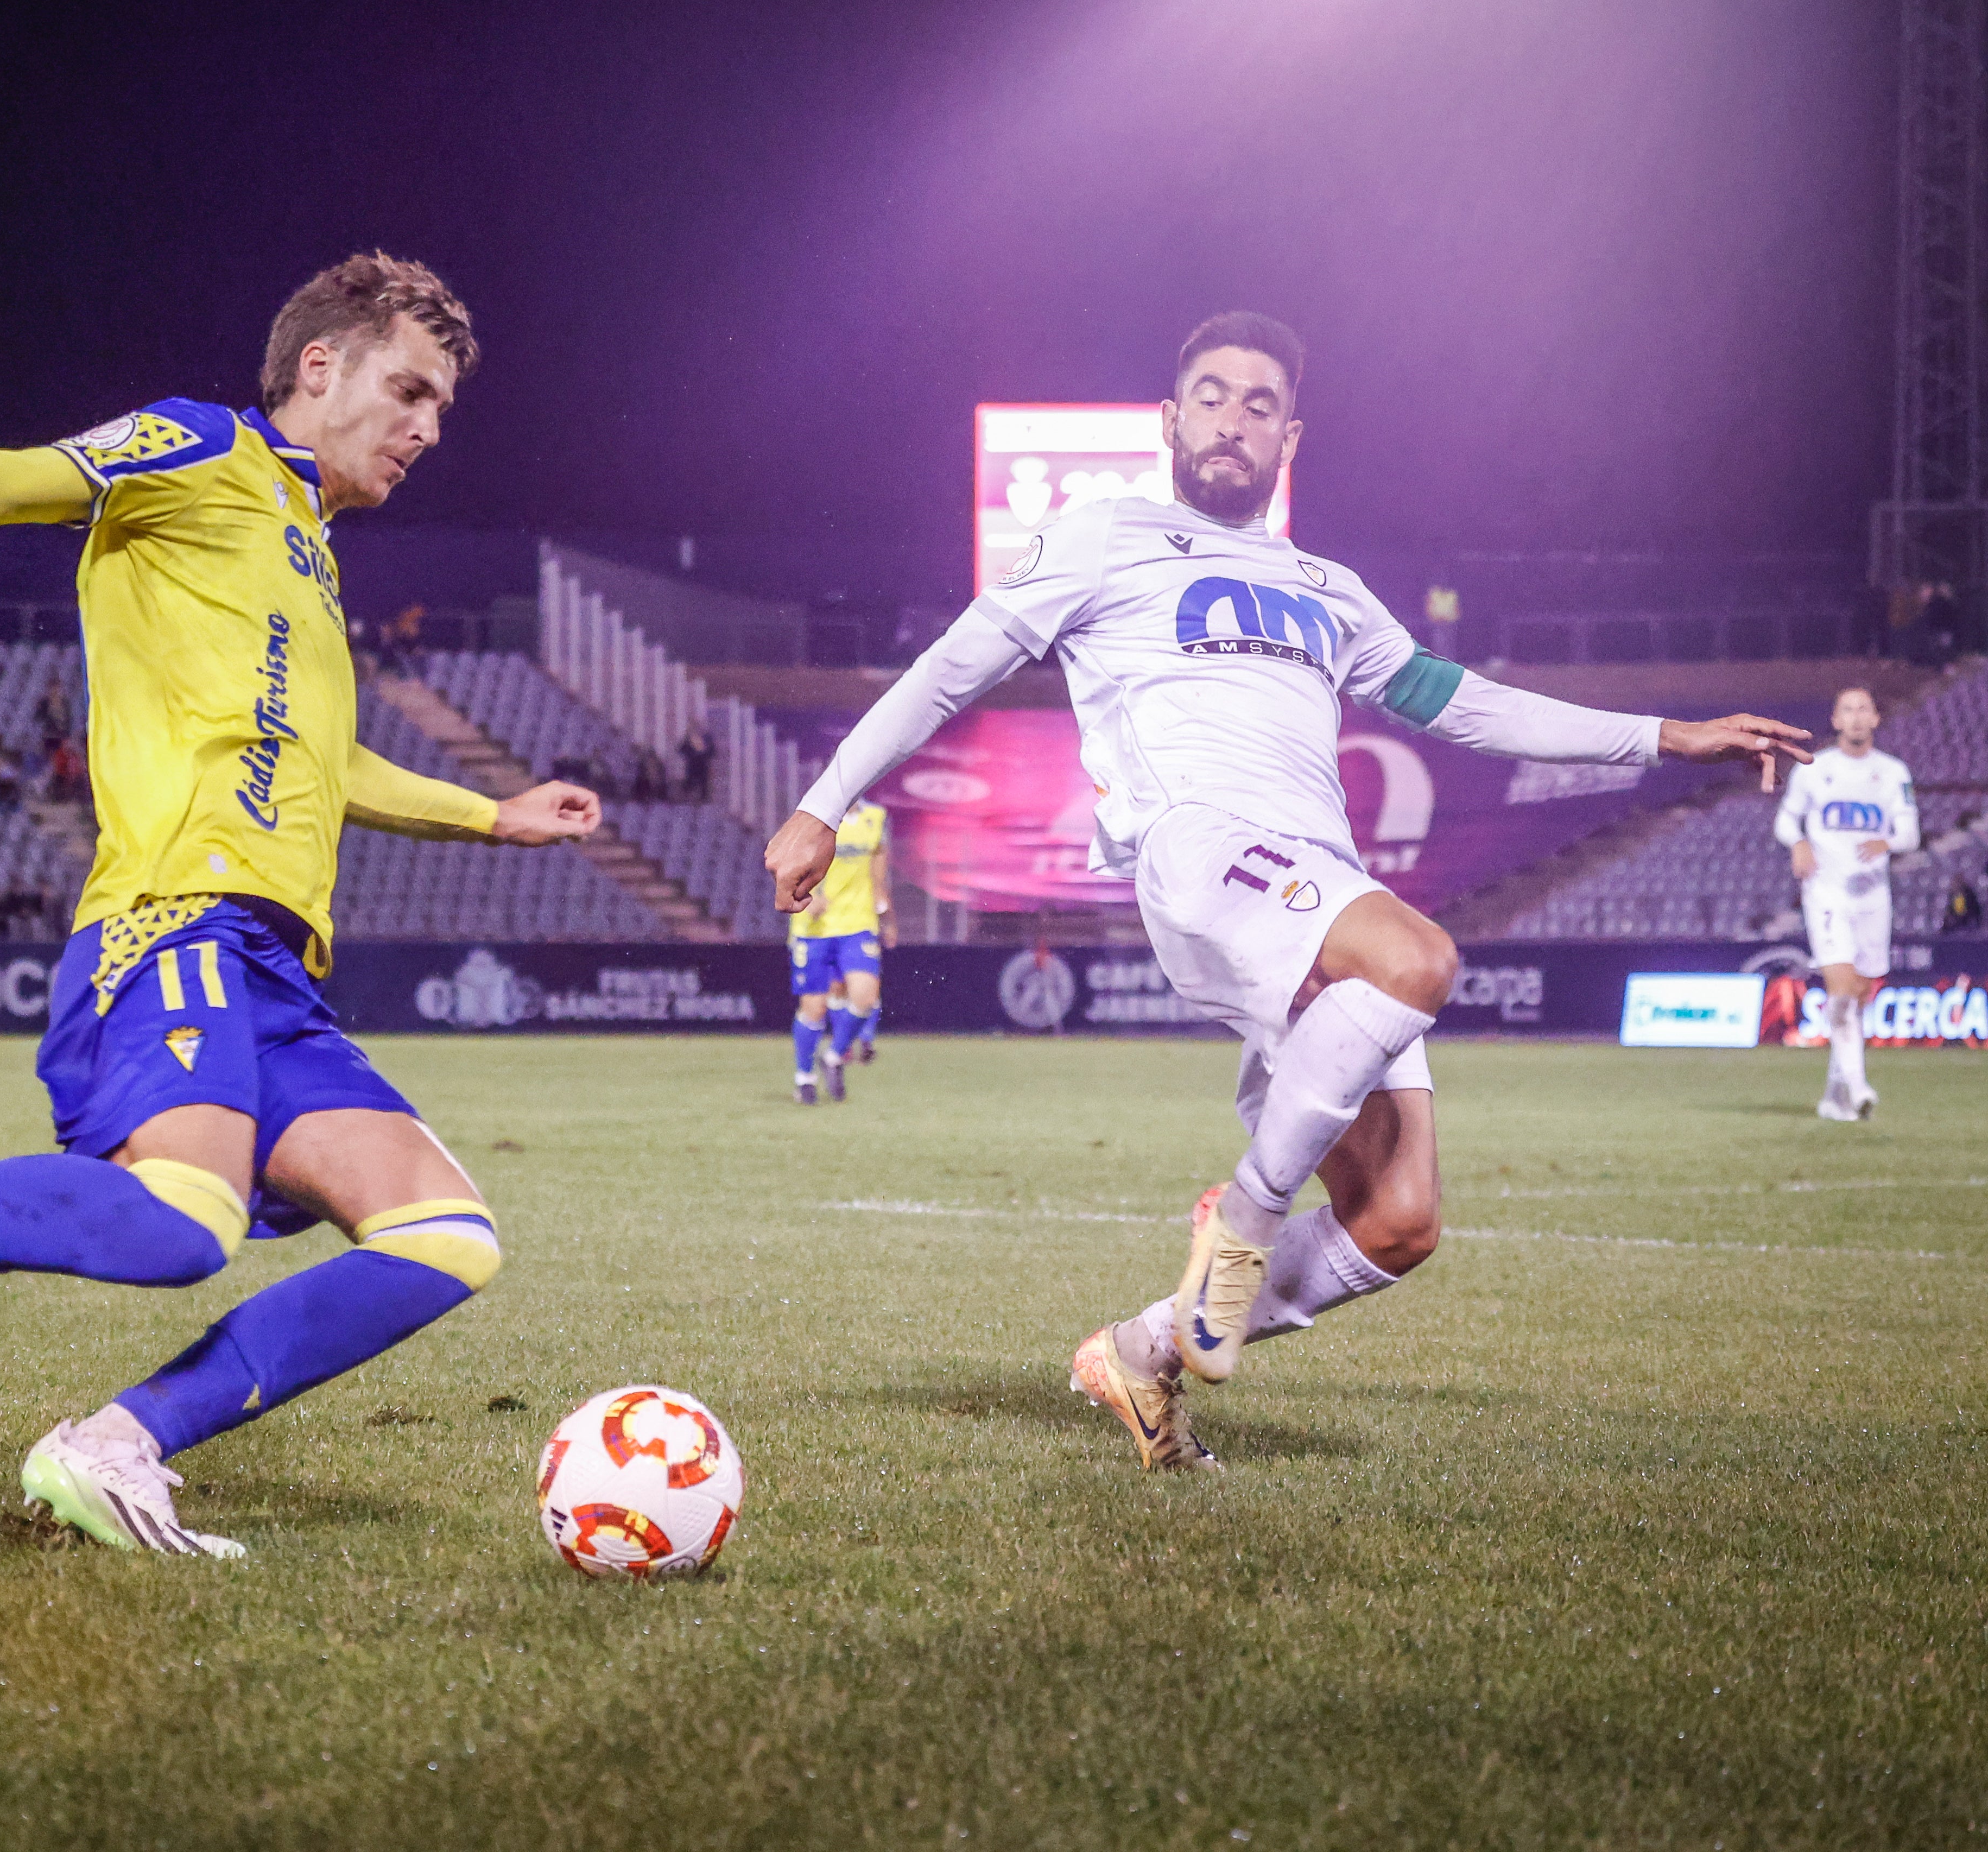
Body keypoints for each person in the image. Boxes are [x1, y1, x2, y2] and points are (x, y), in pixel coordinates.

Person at [0, 250, 600, 1560]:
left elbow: (327, 759)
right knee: (181, 1228)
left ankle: (115, 1444)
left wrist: (492, 812)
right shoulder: (197, 449)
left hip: (274, 973)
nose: (426, 428)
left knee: (447, 1234)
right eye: (409, 390)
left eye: (441, 410)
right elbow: (1, 481)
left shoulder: (306, 547)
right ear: (322, 366)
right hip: (170, 921)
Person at [766, 311, 1810, 1473]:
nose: (1231, 419)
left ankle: (1140, 1352)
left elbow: (1466, 702)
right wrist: (822, 801)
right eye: (1209, 397)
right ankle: (1243, 1224)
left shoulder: (1330, 588)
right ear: (1169, 422)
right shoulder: (1104, 536)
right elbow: (949, 669)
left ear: (1288, 439)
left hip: (1312, 885)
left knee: (1398, 1221)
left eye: (1258, 405)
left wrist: (1666, 736)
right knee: (1417, 959)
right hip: (1200, 848)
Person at [1775, 686, 1919, 1120]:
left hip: (1873, 899)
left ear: (1875, 718)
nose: (1856, 718)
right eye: (1847, 710)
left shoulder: (1893, 773)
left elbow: (1910, 834)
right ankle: (1857, 1090)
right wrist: (1798, 841)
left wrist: (1887, 842)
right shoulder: (1816, 770)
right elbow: (1785, 818)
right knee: (1839, 989)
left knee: (1857, 998)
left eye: (1863, 710)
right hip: (1826, 894)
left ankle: (1834, 1096)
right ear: (1835, 720)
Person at [787, 798, 890, 1103]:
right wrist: (806, 893)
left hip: (857, 924)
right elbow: (790, 861)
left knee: (865, 996)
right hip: (814, 928)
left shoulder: (876, 817)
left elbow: (879, 870)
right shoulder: (814, 815)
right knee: (815, 1009)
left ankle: (833, 1057)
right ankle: (804, 1077)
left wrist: (885, 907)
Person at [676, 718, 715, 804]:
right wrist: (687, 739)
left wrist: (704, 752)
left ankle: (703, 802)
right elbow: (680, 750)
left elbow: (713, 752)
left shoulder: (707, 738)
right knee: (689, 787)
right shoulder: (688, 739)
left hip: (703, 768)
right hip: (692, 768)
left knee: (703, 790)